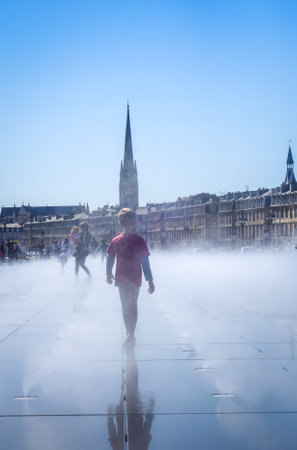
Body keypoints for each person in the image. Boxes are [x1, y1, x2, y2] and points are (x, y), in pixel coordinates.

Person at [106, 208, 155, 344]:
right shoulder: (140, 241)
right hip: (134, 277)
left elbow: (110, 258)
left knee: (125, 305)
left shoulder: (115, 240)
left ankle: (129, 332)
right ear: (136, 223)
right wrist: (150, 280)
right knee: (133, 304)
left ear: (121, 225)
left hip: (121, 277)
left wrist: (108, 273)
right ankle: (131, 333)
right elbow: (145, 263)